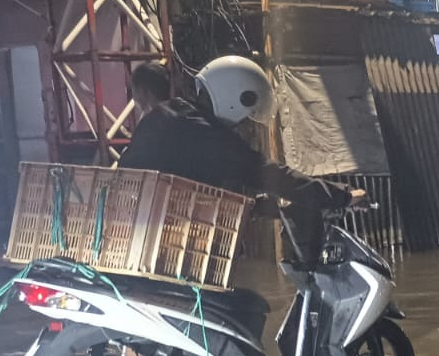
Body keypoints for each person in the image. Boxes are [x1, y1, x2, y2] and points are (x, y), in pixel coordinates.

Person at [121, 55, 357, 254]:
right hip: (160, 239)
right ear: (233, 98)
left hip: (144, 230)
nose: (243, 124)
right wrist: (341, 195)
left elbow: (193, 186)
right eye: (245, 115)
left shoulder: (179, 117)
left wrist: (257, 207)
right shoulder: (203, 133)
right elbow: (264, 171)